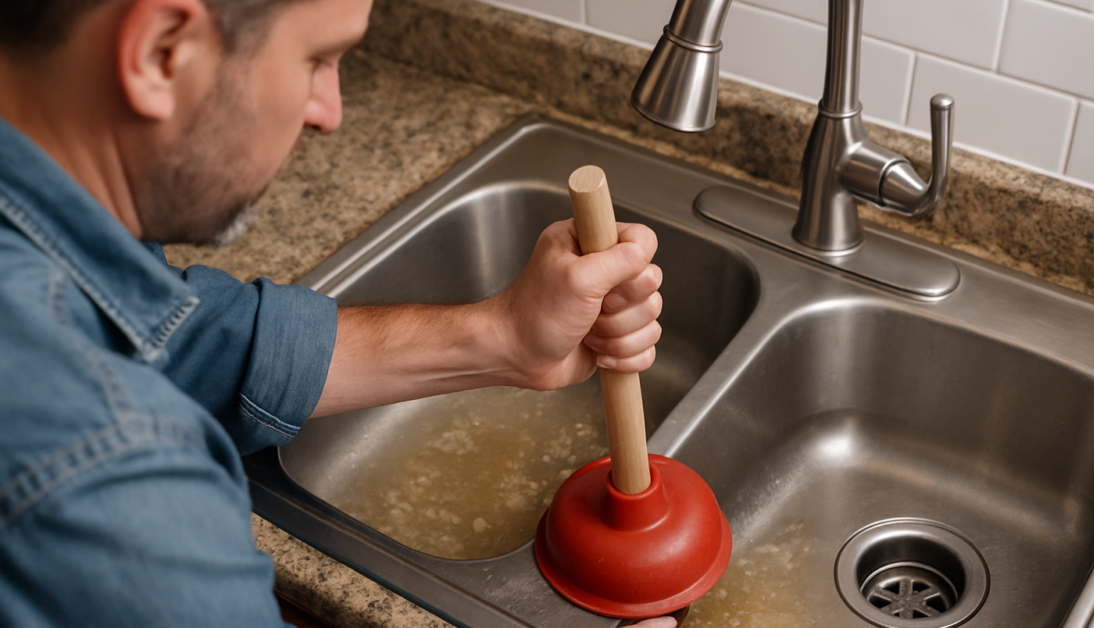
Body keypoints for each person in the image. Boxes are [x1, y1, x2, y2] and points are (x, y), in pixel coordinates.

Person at [0, 0, 676, 626]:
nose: (330, 111)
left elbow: (171, 340)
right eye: (317, 60)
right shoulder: (99, 473)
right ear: (161, 52)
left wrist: (506, 336)